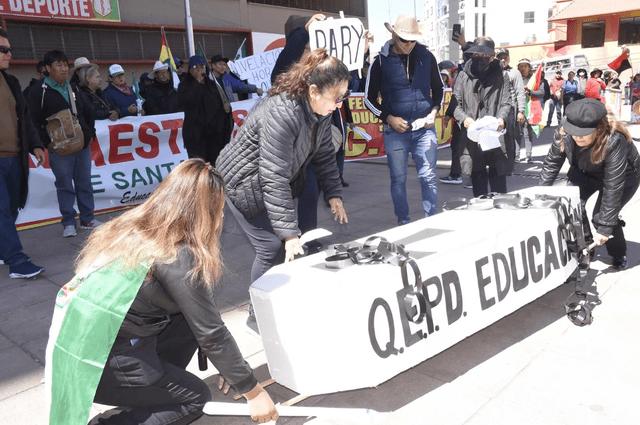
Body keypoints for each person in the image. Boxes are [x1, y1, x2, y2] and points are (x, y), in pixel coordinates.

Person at [65, 159, 278, 425]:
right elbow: (212, 332)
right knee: (195, 398)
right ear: (202, 213)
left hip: (84, 347)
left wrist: (231, 368)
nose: (222, 217)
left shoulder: (135, 226)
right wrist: (252, 391)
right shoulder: (177, 255)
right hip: (101, 364)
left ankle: (152, 390)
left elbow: (203, 323)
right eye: (219, 210)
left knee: (188, 322)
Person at [215, 49, 349, 333]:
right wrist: (288, 234)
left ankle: (277, 301)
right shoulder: (283, 112)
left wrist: (334, 193)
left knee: (291, 244)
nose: (339, 105)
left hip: (272, 180)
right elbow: (273, 174)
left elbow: (324, 154)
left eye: (343, 98)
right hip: (243, 182)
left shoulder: (320, 111)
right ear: (313, 90)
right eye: (336, 98)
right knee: (272, 247)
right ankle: (257, 317)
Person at [540, 99, 640, 270]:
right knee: (572, 205)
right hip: (584, 171)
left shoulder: (614, 139)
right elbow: (552, 163)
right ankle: (586, 246)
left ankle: (618, 253)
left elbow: (613, 185)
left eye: (583, 133)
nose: (577, 137)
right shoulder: (564, 132)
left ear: (599, 129)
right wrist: (540, 195)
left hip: (623, 177)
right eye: (574, 131)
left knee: (602, 217)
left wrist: (605, 227)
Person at [365, 14, 444, 224]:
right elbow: (368, 99)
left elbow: (439, 90)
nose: (408, 44)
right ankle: (403, 221)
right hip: (395, 132)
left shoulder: (427, 57)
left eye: (412, 40)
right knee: (398, 180)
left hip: (424, 129)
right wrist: (389, 118)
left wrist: (434, 112)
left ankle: (432, 220)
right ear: (394, 35)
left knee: (428, 177)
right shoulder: (380, 61)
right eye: (404, 40)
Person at [27, 49, 101, 238]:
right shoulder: (38, 91)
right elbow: (32, 121)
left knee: (84, 183)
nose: (63, 69)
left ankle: (87, 219)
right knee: (65, 186)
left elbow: (87, 111)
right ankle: (68, 222)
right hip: (58, 149)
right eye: (58, 65)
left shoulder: (73, 87)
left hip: (81, 146)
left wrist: (89, 133)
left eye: (64, 65)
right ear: (47, 68)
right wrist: (46, 143)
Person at [0, 28, 46, 278]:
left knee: (14, 207)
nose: (10, 54)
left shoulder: (12, 82)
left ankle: (3, 249)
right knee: (3, 210)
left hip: (14, 158)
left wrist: (36, 144)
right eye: (4, 50)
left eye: (9, 49)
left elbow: (26, 119)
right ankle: (17, 261)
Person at [452, 36, 512, 197]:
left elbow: (507, 102)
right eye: (476, 55)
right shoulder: (463, 75)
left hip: (494, 134)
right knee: (477, 176)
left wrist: (502, 119)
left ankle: (501, 213)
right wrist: (464, 118)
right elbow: (454, 103)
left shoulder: (502, 75)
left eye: (484, 56)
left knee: (498, 177)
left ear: (492, 57)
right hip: (473, 134)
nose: (480, 59)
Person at [178, 55, 233, 164]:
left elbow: (222, 104)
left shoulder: (213, 85)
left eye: (202, 66)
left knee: (215, 166)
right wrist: (197, 82)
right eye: (196, 67)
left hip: (215, 135)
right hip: (196, 136)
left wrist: (227, 110)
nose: (200, 69)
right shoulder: (184, 85)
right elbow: (186, 102)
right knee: (199, 168)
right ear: (190, 70)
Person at [495, 48, 526, 168]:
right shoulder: (493, 72)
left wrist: (521, 111)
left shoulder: (514, 73)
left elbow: (520, 93)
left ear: (508, 58)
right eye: (500, 57)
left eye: (505, 57)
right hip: (496, 110)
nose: (503, 59)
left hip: (511, 111)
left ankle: (509, 165)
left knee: (509, 138)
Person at [515, 58, 544, 163]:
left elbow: (542, 92)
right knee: (517, 134)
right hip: (517, 109)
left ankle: (528, 156)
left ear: (529, 67)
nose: (523, 68)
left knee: (528, 134)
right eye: (521, 66)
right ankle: (516, 156)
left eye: (525, 66)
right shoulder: (515, 77)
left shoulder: (534, 79)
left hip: (530, 109)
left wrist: (530, 92)